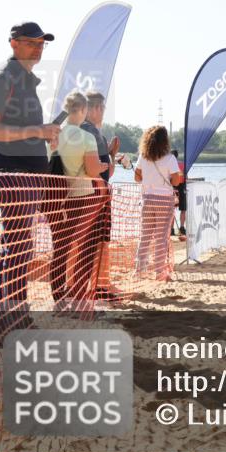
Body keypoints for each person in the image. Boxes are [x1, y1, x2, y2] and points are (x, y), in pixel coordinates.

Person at [0, 22, 61, 345]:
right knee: (16, 248)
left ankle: (15, 316)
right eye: (31, 42)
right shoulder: (4, 77)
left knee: (20, 248)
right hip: (11, 175)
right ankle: (4, 323)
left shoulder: (23, 79)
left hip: (25, 175)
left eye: (42, 43)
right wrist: (36, 132)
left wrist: (45, 134)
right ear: (13, 43)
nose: (39, 48)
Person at [49, 91, 107, 309]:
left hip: (56, 197)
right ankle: (80, 298)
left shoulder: (55, 135)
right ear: (83, 110)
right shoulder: (86, 137)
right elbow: (92, 171)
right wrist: (103, 166)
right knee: (85, 248)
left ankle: (59, 299)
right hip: (82, 197)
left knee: (60, 249)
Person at [80, 90, 124, 301]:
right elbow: (97, 170)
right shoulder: (91, 133)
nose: (103, 112)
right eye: (102, 108)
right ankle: (100, 286)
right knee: (98, 242)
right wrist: (110, 158)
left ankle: (93, 285)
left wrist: (111, 155)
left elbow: (106, 170)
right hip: (96, 195)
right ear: (93, 109)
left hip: (88, 193)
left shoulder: (86, 132)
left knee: (89, 242)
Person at [133, 126, 183, 281]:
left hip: (147, 198)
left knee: (145, 235)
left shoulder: (143, 156)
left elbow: (137, 177)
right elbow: (175, 181)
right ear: (165, 141)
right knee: (161, 237)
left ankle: (139, 270)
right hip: (164, 200)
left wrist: (149, 178)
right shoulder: (170, 158)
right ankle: (159, 271)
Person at [170, 149, 187, 237]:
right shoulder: (183, 164)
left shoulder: (169, 164)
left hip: (174, 186)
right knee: (183, 209)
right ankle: (182, 227)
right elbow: (186, 176)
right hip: (182, 187)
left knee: (172, 209)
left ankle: (172, 229)